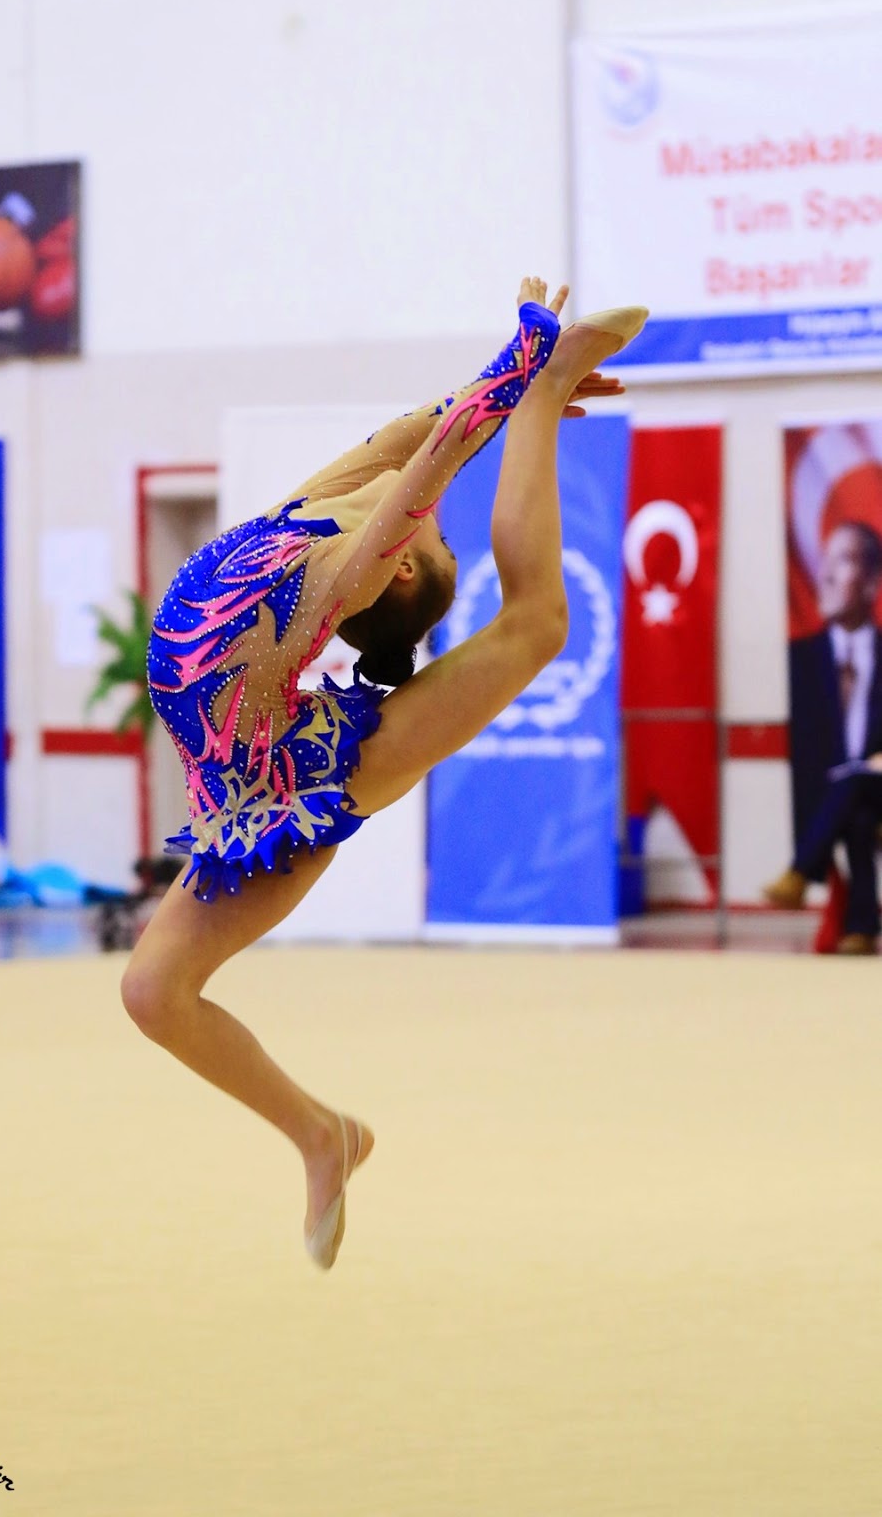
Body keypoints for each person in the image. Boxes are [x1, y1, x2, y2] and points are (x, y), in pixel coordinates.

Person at [121, 277, 647, 1269]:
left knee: (536, 624)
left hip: (303, 779)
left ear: (398, 567)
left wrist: (530, 373)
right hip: (247, 790)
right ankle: (323, 1135)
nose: (432, 521)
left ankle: (548, 394)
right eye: (441, 535)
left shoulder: (347, 570)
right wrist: (510, 375)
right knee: (152, 994)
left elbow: (437, 456)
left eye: (429, 533)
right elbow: (419, 439)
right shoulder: (320, 515)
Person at [764, 521, 882, 954]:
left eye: (844, 561)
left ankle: (799, 872)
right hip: (840, 796)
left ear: (871, 582)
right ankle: (862, 929)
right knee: (857, 815)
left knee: (857, 782)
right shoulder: (802, 658)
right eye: (824, 561)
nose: (827, 575)